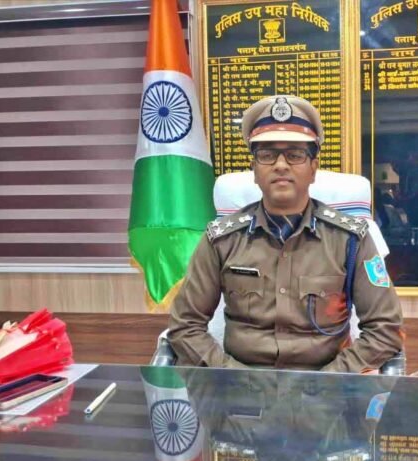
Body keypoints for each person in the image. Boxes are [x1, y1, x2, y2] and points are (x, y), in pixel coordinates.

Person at [167, 95, 403, 373]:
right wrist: (230, 375)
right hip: (239, 387)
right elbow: (185, 326)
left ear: (313, 168)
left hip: (325, 389)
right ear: (254, 170)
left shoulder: (352, 240)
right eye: (267, 155)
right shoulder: (220, 240)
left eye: (295, 154)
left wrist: (331, 379)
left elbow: (385, 329)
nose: (280, 165)